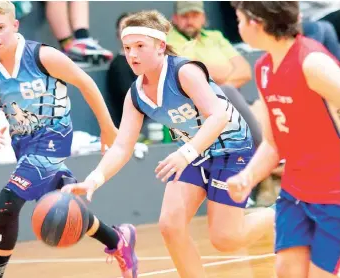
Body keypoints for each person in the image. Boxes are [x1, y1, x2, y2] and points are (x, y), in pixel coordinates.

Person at [61, 10, 275, 278]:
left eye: (140, 46)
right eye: (127, 48)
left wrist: (186, 153)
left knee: (226, 239)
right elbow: (121, 147)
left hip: (230, 149)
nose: (133, 54)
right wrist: (94, 179)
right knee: (170, 225)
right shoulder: (136, 94)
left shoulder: (184, 71)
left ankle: (282, 211)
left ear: (161, 46)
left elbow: (218, 116)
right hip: (195, 152)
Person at [0, 2, 137, 278]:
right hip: (24, 145)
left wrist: (107, 127)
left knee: (6, 206)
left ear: (15, 26)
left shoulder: (42, 55)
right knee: (66, 205)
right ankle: (118, 240)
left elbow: (86, 83)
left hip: (53, 139)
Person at [228, 2, 340, 278]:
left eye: (240, 19)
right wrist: (248, 177)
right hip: (296, 192)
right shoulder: (264, 67)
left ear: (257, 22)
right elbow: (273, 143)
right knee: (287, 271)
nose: (238, 26)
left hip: (333, 194)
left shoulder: (312, 62)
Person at [167, 1, 252, 89]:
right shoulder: (169, 40)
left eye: (195, 15)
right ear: (175, 18)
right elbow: (191, 71)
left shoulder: (216, 36)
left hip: (226, 97)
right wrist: (230, 69)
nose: (190, 21)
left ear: (203, 17)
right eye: (184, 16)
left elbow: (245, 71)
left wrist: (220, 92)